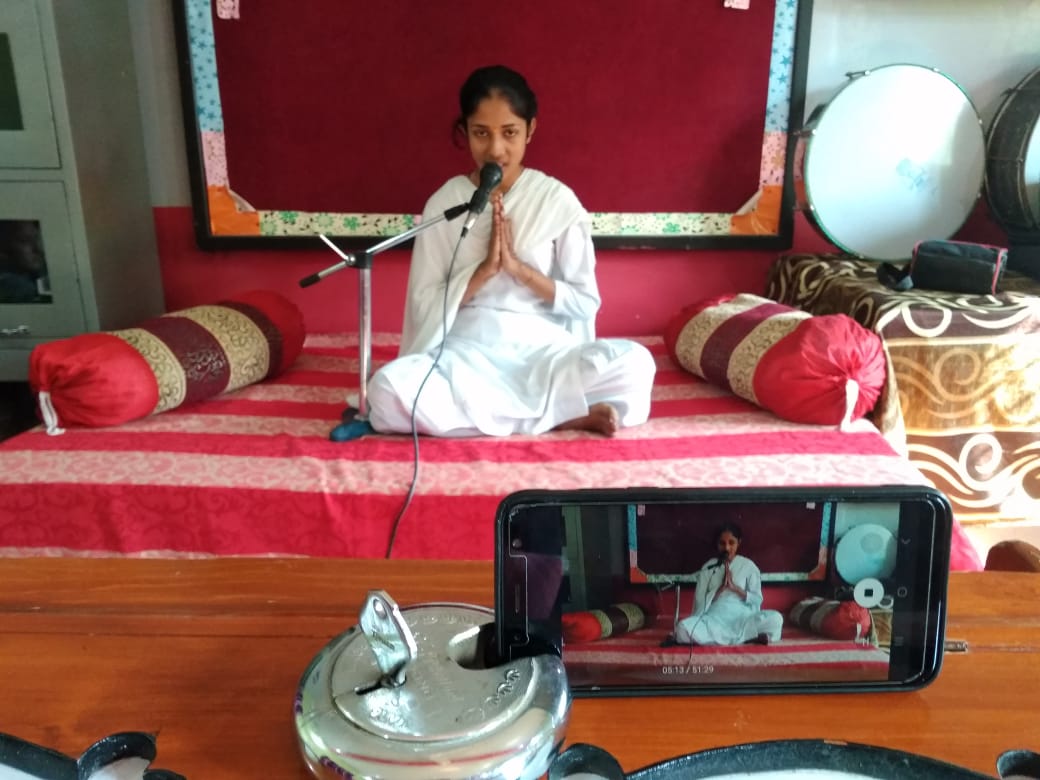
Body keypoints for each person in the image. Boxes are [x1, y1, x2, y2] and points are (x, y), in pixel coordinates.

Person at [366, 65, 656, 437]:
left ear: (530, 130)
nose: (495, 149)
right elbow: (423, 305)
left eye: (509, 132)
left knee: (636, 364)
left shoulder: (556, 201)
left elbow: (584, 302)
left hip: (544, 355)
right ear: (465, 131)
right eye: (481, 133)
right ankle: (563, 416)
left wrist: (520, 271)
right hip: (464, 357)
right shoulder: (445, 202)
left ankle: (507, 417)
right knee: (385, 392)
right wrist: (483, 272)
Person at [662, 522, 784, 647]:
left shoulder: (748, 566)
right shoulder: (709, 567)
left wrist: (735, 588)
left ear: (739, 543)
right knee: (682, 628)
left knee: (776, 619)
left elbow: (757, 600)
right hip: (713, 619)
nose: (726, 548)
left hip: (742, 618)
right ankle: (747, 638)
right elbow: (699, 602)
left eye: (731, 543)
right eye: (722, 543)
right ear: (717, 544)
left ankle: (722, 640)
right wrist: (720, 589)